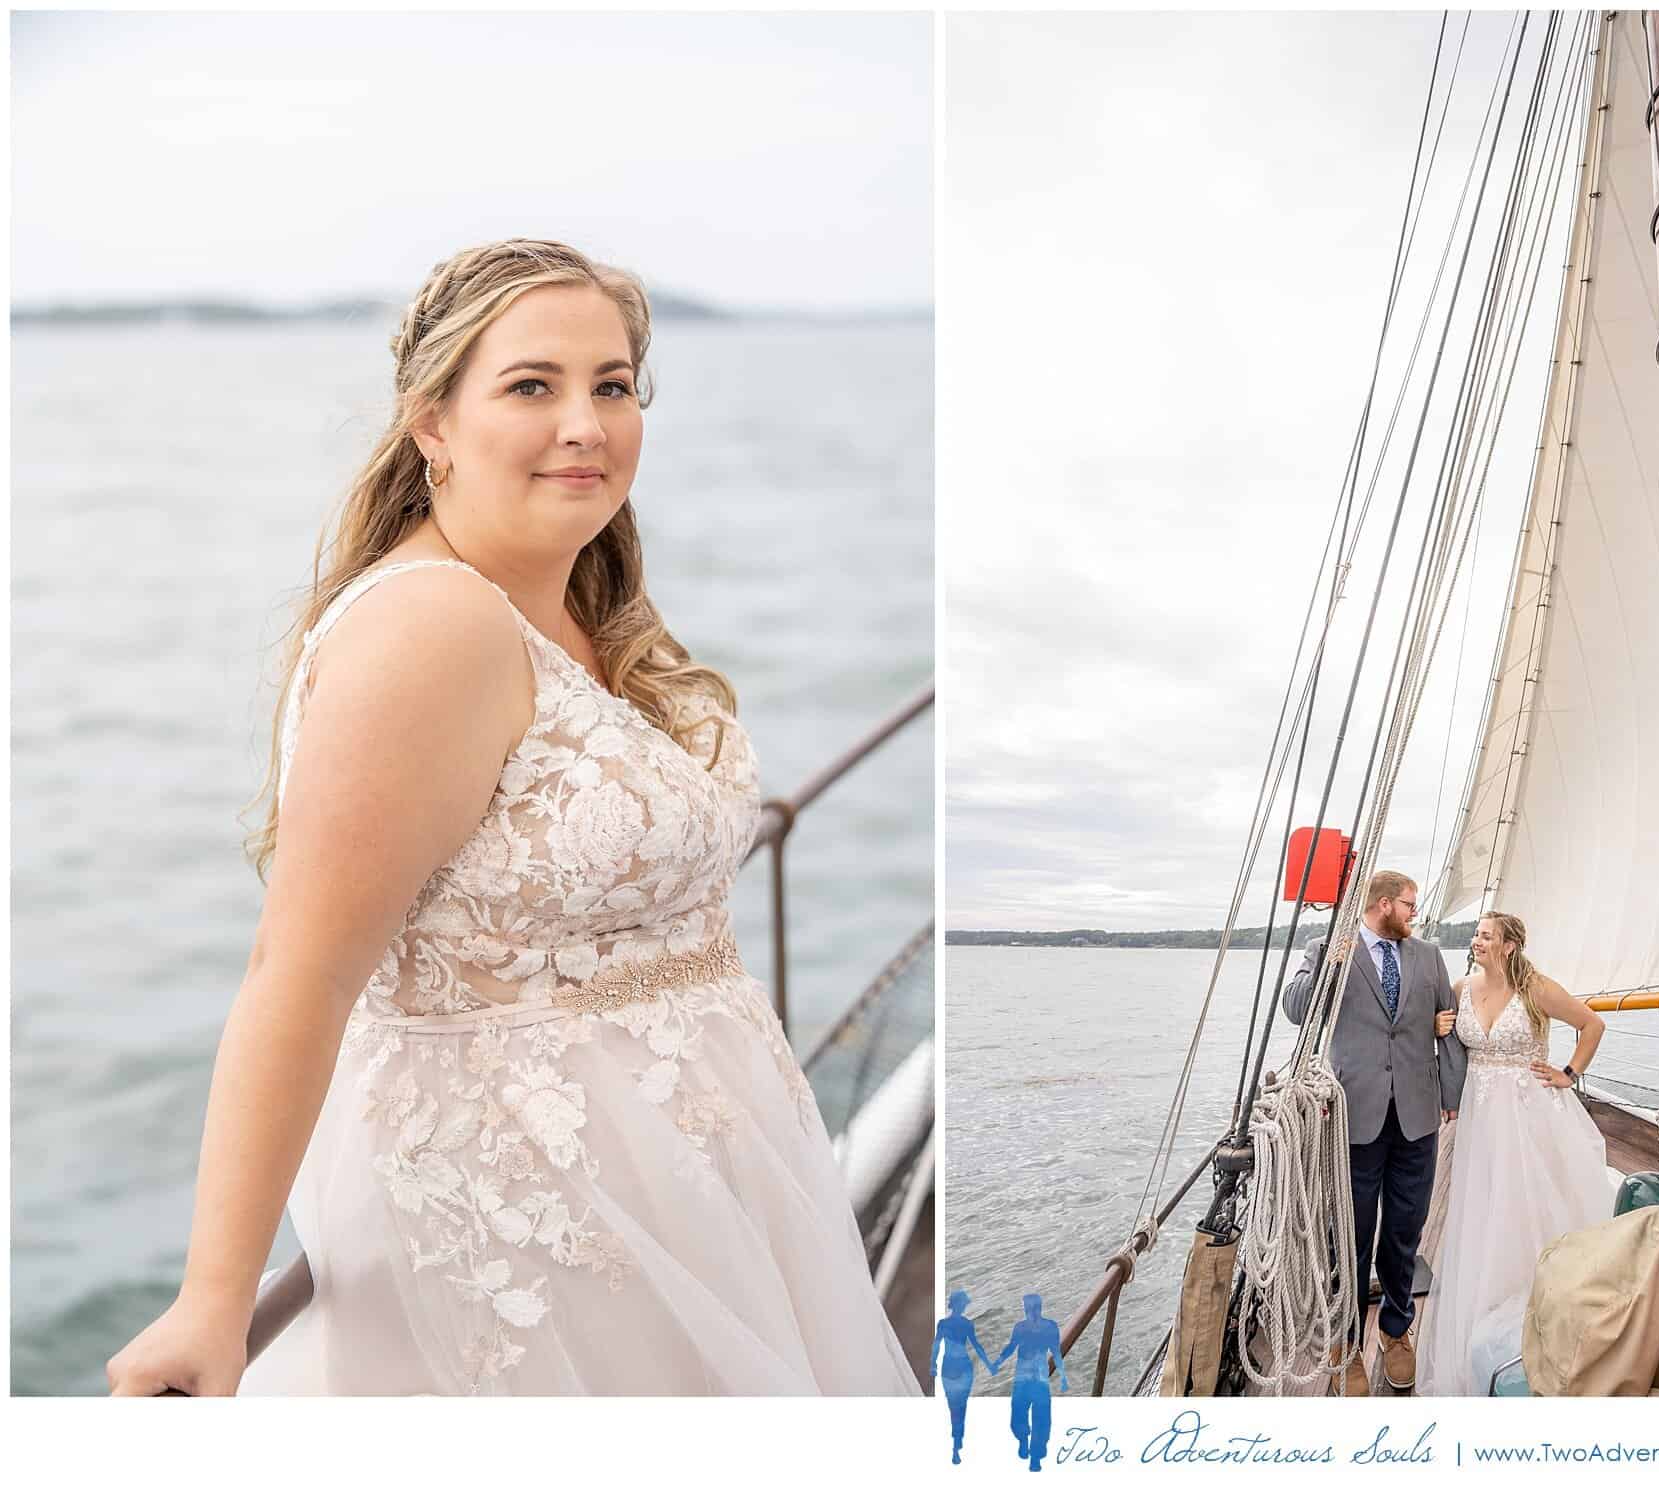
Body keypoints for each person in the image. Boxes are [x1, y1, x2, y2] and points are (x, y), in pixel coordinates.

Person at [105, 239, 920, 1397]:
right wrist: (214, 1299)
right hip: (542, 1226)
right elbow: (298, 972)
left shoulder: (578, 601)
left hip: (698, 1191)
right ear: (431, 421)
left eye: (613, 385)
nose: (585, 422)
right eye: (531, 386)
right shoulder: (428, 630)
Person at [1281, 870, 1466, 1394]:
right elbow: (1297, 1010)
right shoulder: (1327, 948)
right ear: (1383, 905)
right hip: (1355, 1116)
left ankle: (1394, 1329)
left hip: (1417, 1114)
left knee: (1406, 1228)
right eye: (1409, 905)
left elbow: (1446, 1025)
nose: (1415, 914)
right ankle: (1345, 1343)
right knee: (1352, 1235)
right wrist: (1330, 963)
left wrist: (1451, 1096)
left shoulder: (1428, 956)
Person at [1416, 911, 1610, 1396]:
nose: (1476, 941)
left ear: (1507, 945)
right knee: (1483, 1209)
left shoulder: (1536, 987)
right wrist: (1439, 1029)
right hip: (1479, 1115)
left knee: (1531, 1203)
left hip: (1529, 1112)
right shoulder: (1461, 989)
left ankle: (1547, 1313)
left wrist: (1569, 1072)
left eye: (1485, 935)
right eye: (1477, 934)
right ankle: (1490, 1314)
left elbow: (1592, 1024)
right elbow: (1450, 1050)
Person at [995, 1295, 1067, 1472]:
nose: (1031, 1312)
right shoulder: (1020, 1328)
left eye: (1034, 1308)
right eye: (1028, 1308)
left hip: (1040, 1381)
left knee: (1041, 1420)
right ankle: (1022, 1439)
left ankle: (1035, 1457)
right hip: (1022, 1379)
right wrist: (997, 1362)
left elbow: (1056, 1353)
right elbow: (1011, 1347)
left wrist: (1063, 1376)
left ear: (1040, 1308)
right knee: (1017, 1417)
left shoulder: (1050, 1327)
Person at [931, 1290, 996, 1464]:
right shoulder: (960, 1324)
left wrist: (933, 1364)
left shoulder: (946, 1324)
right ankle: (956, 1445)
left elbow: (939, 1346)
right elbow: (938, 1346)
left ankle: (956, 1445)